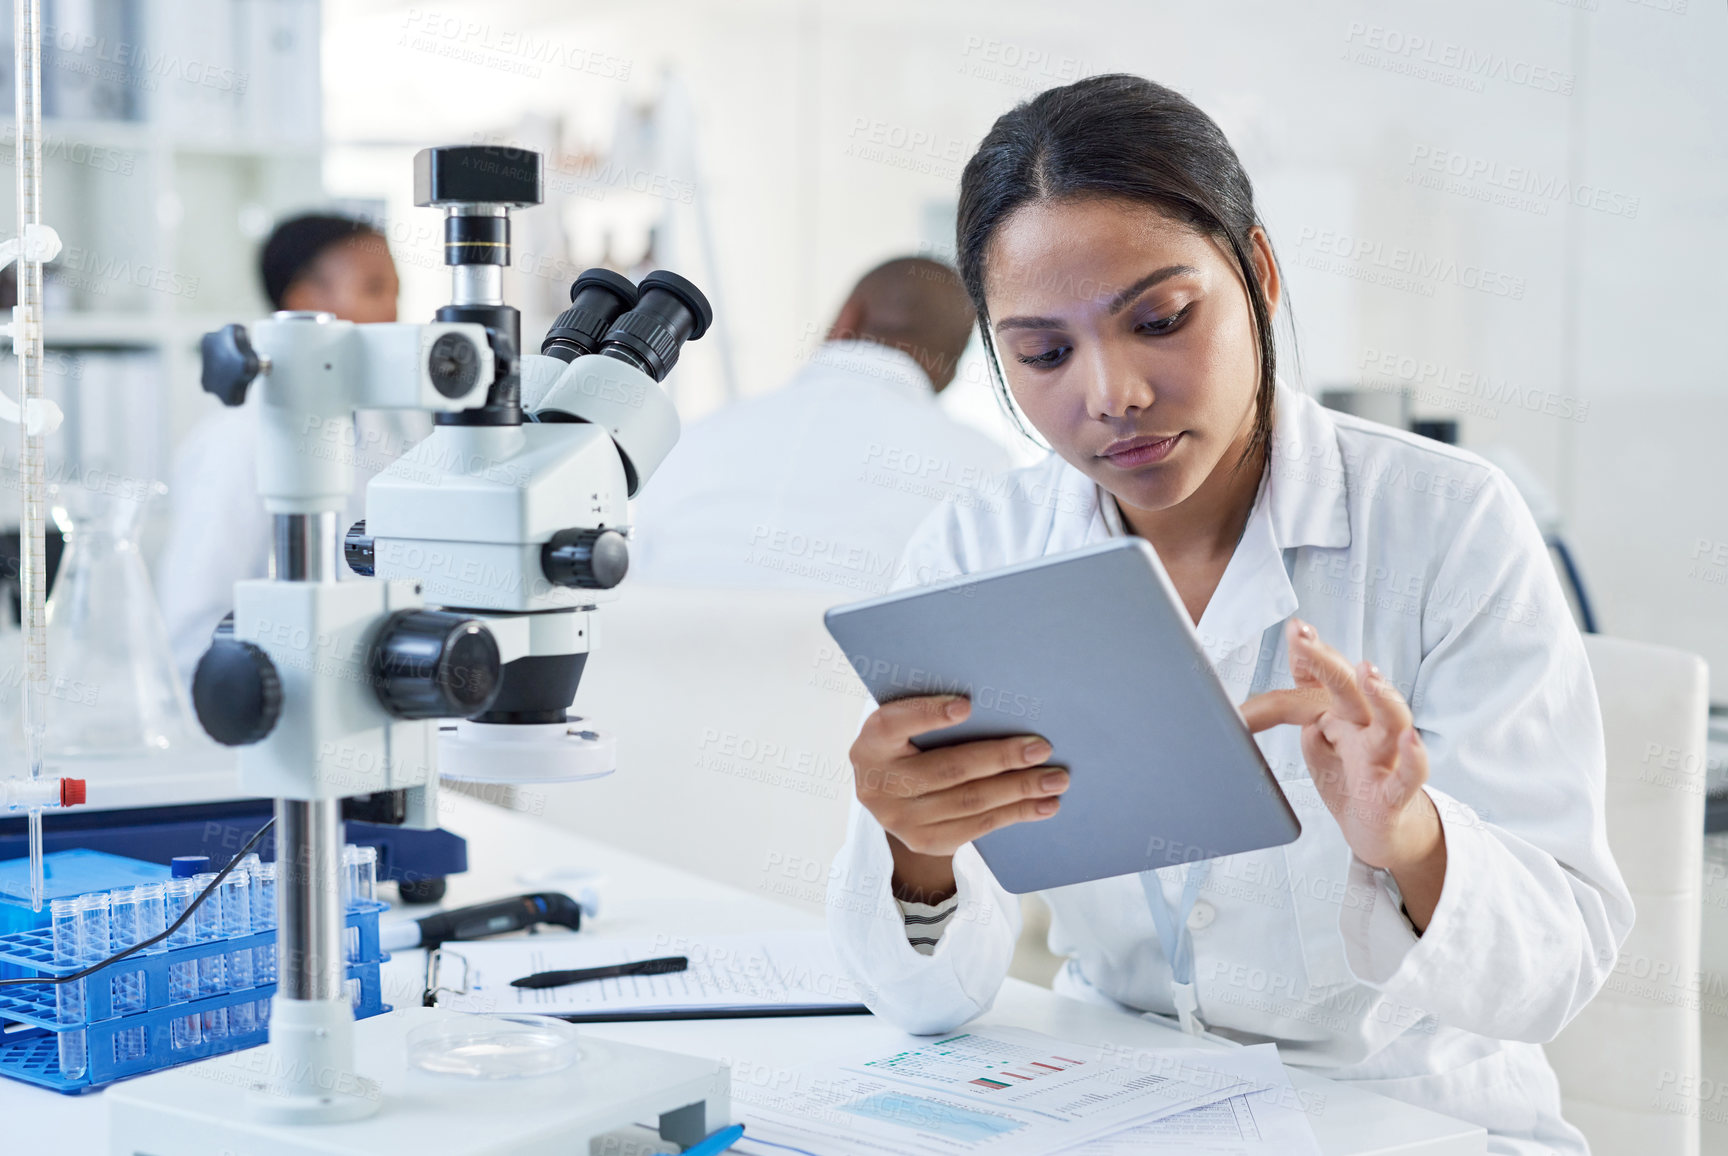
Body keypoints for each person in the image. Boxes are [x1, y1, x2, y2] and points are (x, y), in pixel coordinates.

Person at [827, 76, 1631, 1156]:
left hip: (1410, 1116)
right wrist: (912, 850)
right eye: (1045, 353)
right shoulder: (976, 550)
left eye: (1160, 320)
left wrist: (1407, 838)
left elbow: (1554, 971)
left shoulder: (1448, 523)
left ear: (1257, 273)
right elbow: (926, 1000)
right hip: (1109, 1105)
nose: (1112, 393)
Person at [627, 257, 1013, 594]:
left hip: (660, 670)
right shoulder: (987, 468)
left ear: (848, 318)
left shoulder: (685, 439)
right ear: (954, 365)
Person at [156, 214, 423, 676]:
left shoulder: (392, 418)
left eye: (397, 292)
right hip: (281, 697)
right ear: (303, 303)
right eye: (375, 289)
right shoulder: (237, 441)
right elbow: (191, 628)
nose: (393, 313)